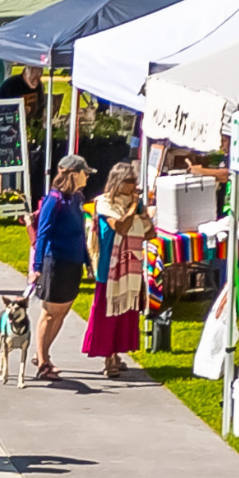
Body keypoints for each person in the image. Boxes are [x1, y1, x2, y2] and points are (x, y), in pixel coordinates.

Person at [83, 161, 153, 377]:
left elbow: (150, 234)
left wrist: (142, 212)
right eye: (130, 182)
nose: (134, 186)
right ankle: (108, 359)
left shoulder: (134, 204)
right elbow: (121, 227)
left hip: (130, 268)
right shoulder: (104, 204)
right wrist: (133, 209)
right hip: (109, 269)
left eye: (134, 182)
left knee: (124, 313)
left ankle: (116, 354)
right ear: (119, 183)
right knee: (108, 314)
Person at [30, 154, 91, 381]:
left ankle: (42, 353)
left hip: (73, 262)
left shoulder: (76, 198)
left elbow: (80, 233)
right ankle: (43, 360)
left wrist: (86, 260)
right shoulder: (54, 200)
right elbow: (43, 234)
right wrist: (36, 267)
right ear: (74, 174)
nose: (87, 177)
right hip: (55, 262)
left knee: (61, 313)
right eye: (85, 173)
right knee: (49, 313)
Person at [186, 158, 239, 234]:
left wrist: (201, 171)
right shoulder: (227, 157)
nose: (221, 145)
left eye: (223, 144)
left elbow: (226, 175)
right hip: (236, 213)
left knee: (237, 244)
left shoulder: (238, 156)